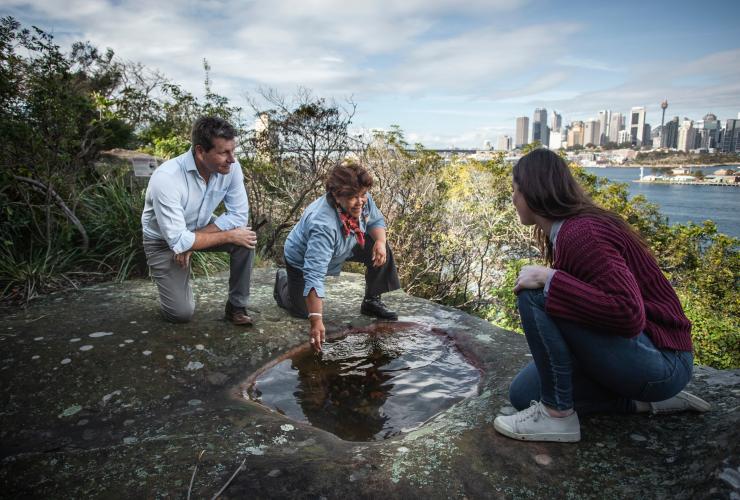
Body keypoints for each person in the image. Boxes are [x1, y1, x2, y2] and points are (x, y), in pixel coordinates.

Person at [493, 148, 710, 443]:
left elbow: (628, 314)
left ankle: (557, 417)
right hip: (641, 359)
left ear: (532, 192)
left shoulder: (583, 233)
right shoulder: (568, 232)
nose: (513, 200)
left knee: (534, 295)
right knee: (524, 394)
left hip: (663, 361)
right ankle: (644, 402)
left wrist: (551, 278)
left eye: (515, 191)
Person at [274, 160, 401, 351]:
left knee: (381, 247)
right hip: (302, 258)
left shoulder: (362, 199)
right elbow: (314, 275)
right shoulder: (322, 224)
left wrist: (381, 243)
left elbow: (375, 221)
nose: (361, 201)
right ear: (336, 194)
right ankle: (283, 283)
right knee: (303, 311)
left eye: (363, 195)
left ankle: (371, 301)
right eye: (353, 197)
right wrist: (317, 321)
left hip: (348, 241)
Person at [141, 116, 257, 325]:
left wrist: (193, 242)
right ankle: (172, 282)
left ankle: (236, 307)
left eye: (233, 151)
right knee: (180, 314)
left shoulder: (231, 168)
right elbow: (177, 240)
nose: (232, 159)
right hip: (162, 242)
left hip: (200, 228)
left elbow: (238, 215)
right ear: (200, 151)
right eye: (224, 153)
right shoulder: (166, 178)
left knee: (245, 239)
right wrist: (222, 236)